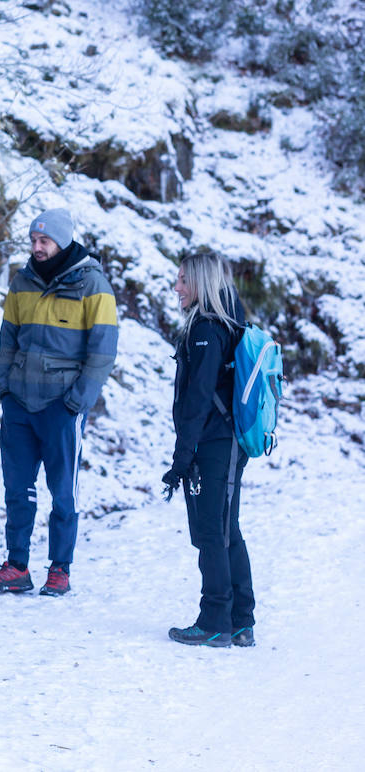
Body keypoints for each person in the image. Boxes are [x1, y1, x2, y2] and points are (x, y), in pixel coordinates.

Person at [0, 208, 119, 596]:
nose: (37, 248)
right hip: (19, 403)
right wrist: (3, 387)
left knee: (63, 490)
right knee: (17, 487)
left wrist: (77, 401)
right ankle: (17, 566)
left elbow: (103, 352)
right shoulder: (22, 283)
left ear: (63, 241)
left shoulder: (93, 286)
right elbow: (7, 339)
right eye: (33, 241)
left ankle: (60, 568)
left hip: (62, 406)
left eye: (45, 241)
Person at [162, 251, 255, 647]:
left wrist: (182, 458)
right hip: (227, 441)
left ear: (200, 282)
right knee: (224, 527)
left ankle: (216, 618)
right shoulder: (229, 322)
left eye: (184, 280)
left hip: (215, 443)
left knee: (210, 530)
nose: (177, 287)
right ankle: (240, 620)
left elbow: (198, 399)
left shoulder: (206, 329)